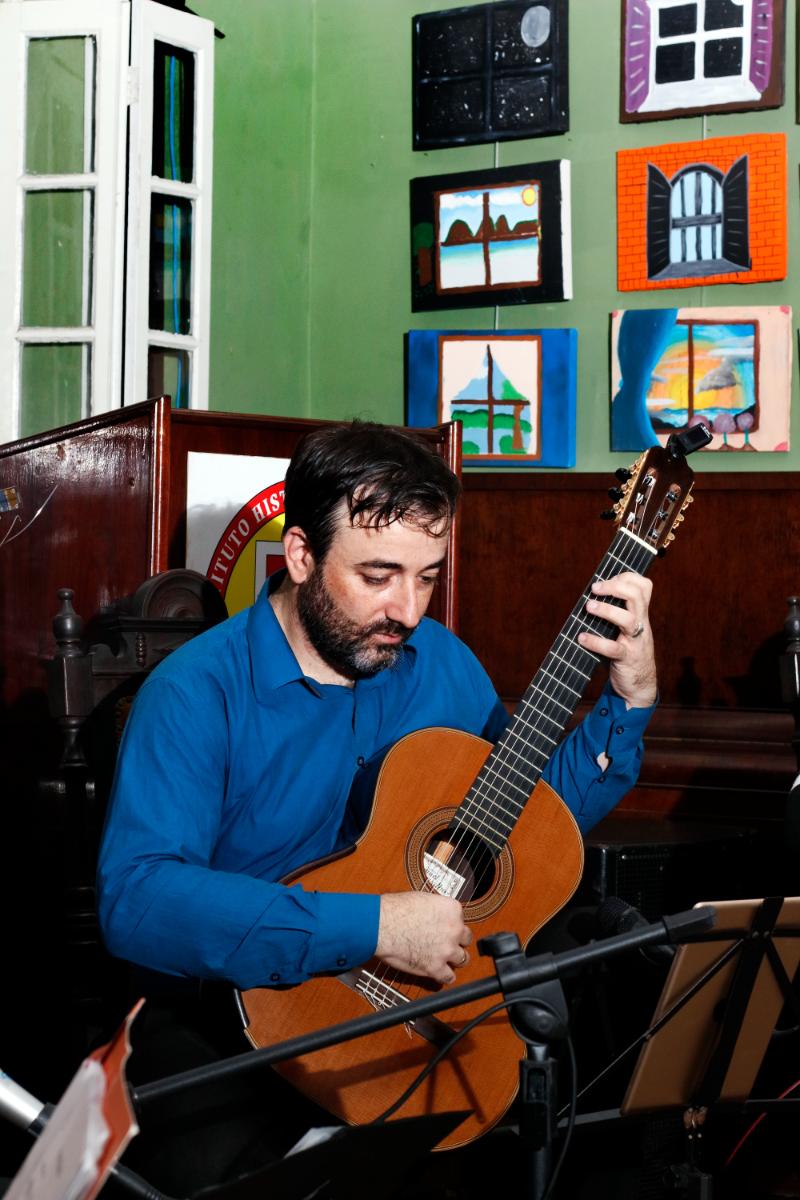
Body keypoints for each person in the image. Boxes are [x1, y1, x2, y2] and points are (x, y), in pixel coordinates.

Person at [96, 420, 657, 1191]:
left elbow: (521, 826)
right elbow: (139, 900)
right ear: (301, 555)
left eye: (427, 577)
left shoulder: (441, 665)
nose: (409, 609)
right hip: (228, 1023)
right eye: (379, 575)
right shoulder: (197, 693)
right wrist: (375, 928)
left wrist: (631, 698)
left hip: (411, 1013)